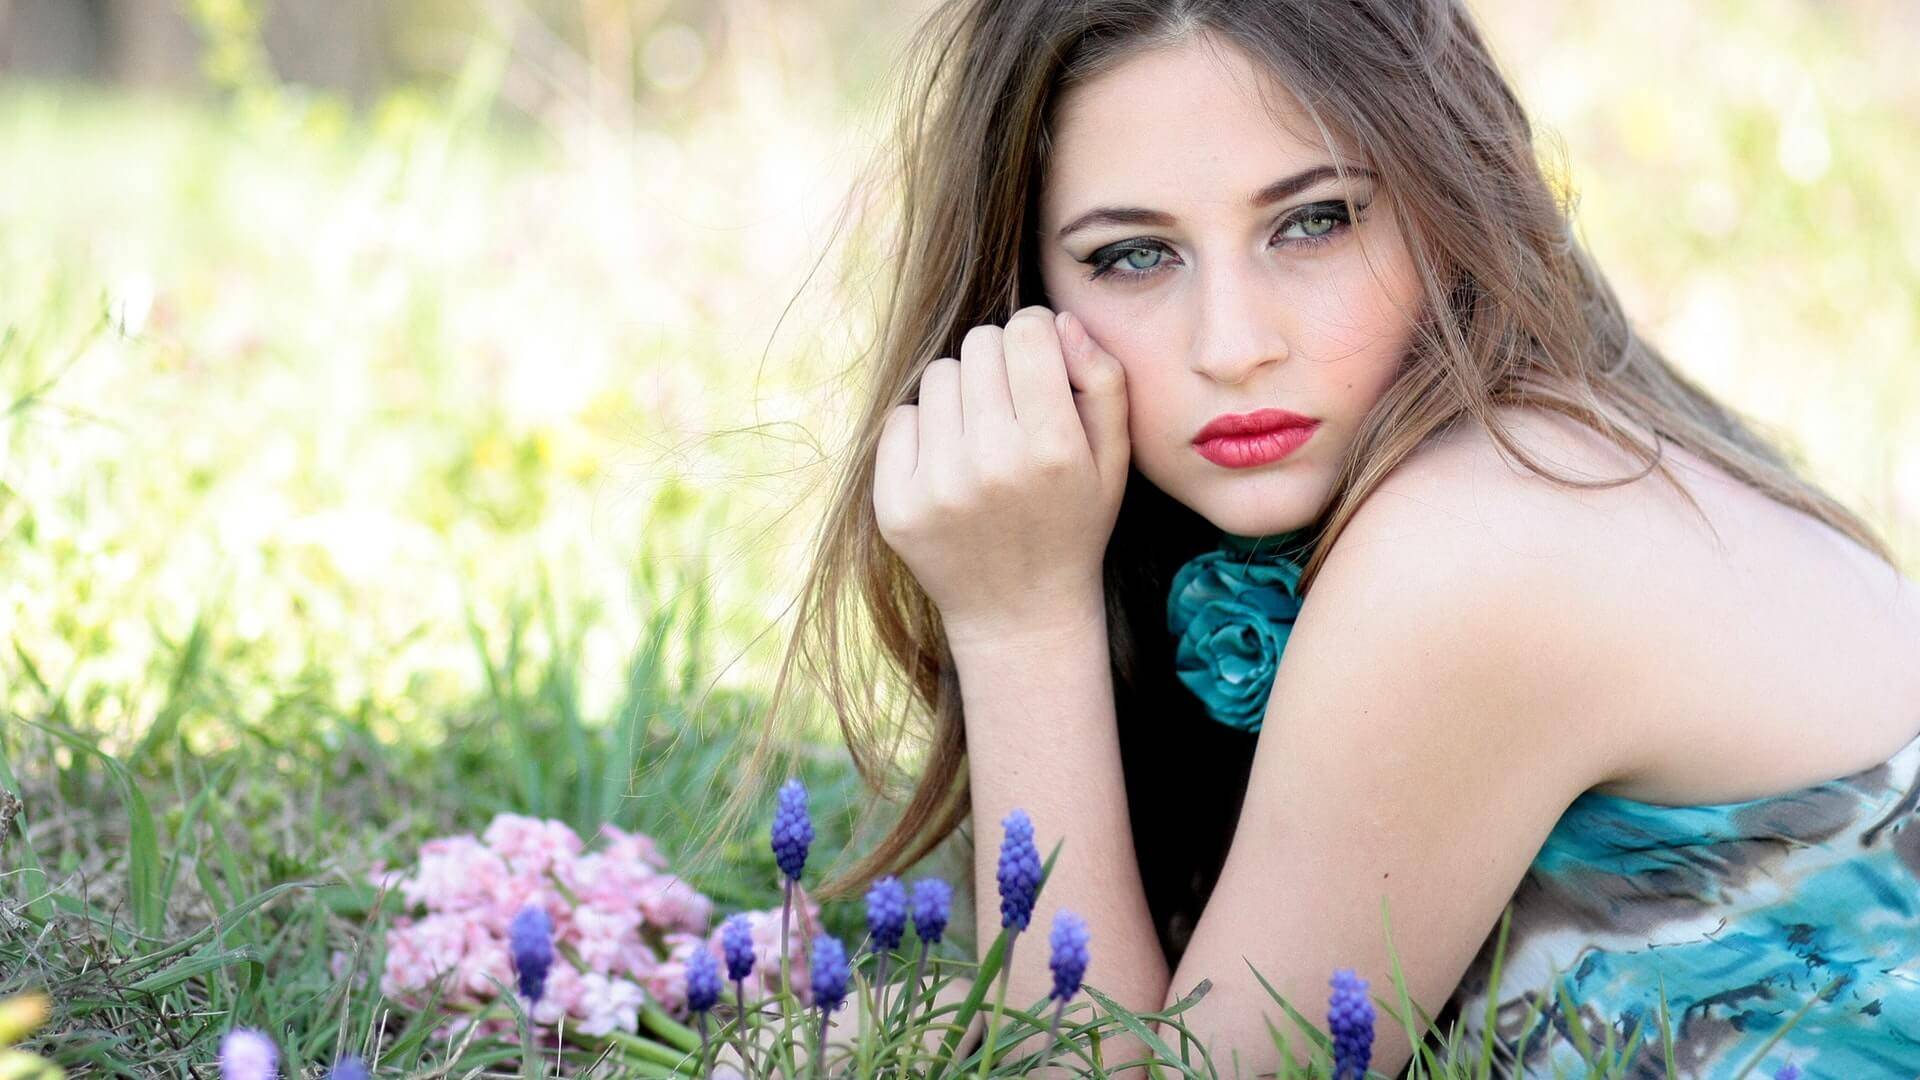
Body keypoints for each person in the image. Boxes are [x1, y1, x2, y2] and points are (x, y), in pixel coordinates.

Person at [705, 1, 1920, 1076]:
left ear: (1455, 206)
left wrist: (1020, 621)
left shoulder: (1483, 544)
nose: (1231, 342)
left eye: (1314, 222)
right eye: (1133, 256)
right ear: (1026, 306)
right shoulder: (1514, 463)